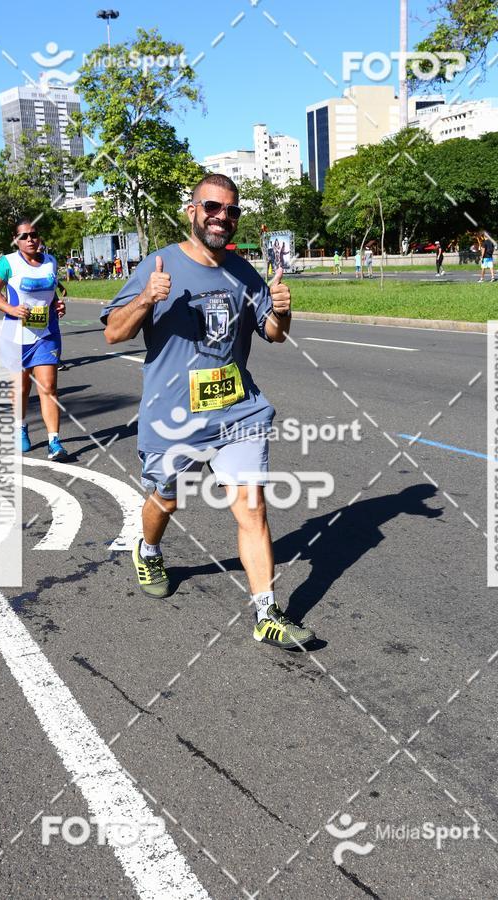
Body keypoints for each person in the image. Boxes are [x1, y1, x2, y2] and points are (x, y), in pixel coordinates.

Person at [102, 173, 315, 650]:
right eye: (212, 208)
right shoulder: (158, 264)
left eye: (231, 210)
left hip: (237, 412)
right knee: (166, 500)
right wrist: (146, 298)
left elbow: (275, 335)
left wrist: (282, 308)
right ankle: (149, 548)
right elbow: (113, 334)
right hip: (173, 415)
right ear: (192, 210)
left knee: (252, 508)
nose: (222, 217)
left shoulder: (244, 272)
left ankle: (266, 614)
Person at [0, 217, 70, 461]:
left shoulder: (51, 261)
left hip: (46, 333)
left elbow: (50, 294)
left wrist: (57, 305)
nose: (30, 239)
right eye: (24, 236)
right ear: (16, 240)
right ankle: (20, 427)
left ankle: (55, 442)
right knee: (21, 387)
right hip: (15, 335)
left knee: (49, 387)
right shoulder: (7, 263)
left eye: (34, 234)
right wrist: (11, 309)